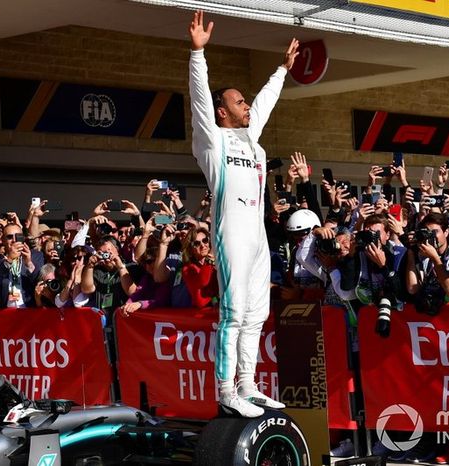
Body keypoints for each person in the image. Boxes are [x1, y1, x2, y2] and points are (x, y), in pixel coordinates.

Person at [188, 9, 298, 417]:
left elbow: (266, 102)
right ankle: (225, 390)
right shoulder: (212, 141)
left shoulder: (253, 140)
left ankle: (248, 386)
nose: (246, 104)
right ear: (222, 112)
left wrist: (282, 70)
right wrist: (197, 55)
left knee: (257, 314)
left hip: (258, 239)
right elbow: (200, 99)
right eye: (238, 101)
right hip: (231, 235)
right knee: (233, 314)